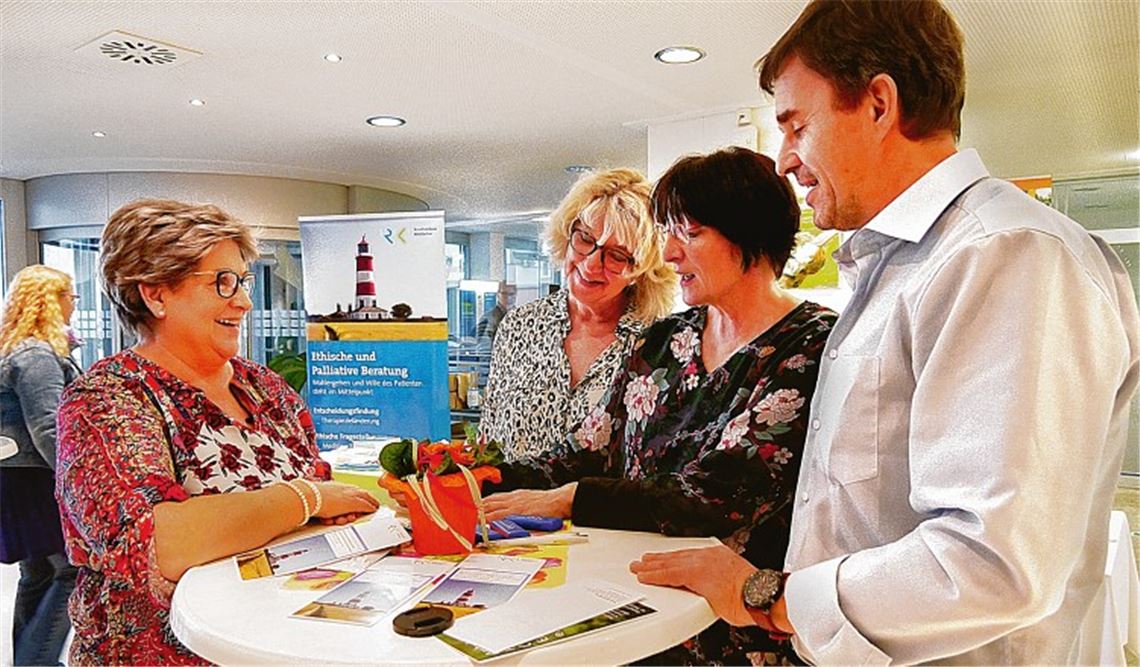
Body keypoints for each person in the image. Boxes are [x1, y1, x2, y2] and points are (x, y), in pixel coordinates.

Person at [630, 2, 1140, 665]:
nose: (784, 160)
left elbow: (991, 561)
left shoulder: (1007, 254)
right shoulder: (898, 268)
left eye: (796, 126)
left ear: (878, 103)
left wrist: (769, 595)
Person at [484, 148, 837, 664]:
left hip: (730, 632)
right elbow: (587, 450)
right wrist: (487, 476)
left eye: (689, 234)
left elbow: (716, 495)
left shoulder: (810, 345)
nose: (669, 254)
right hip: (631, 613)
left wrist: (569, 499)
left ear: (752, 237)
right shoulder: (666, 339)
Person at [55, 199, 381, 665]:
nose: (245, 300)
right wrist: (305, 499)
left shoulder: (266, 387)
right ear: (155, 294)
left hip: (286, 642)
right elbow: (159, 542)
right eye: (223, 282)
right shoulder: (106, 400)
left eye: (242, 281)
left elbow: (322, 497)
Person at [480, 168, 676, 462]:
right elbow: (489, 438)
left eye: (617, 256)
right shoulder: (520, 326)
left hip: (601, 509)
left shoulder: (658, 345)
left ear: (640, 270)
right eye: (585, 238)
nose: (591, 265)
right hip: (507, 506)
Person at [0, 265, 81, 666]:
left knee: (38, 573)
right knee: (70, 571)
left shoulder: (16, 349)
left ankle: (29, 660)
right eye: (71, 297)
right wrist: (75, 482)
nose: (74, 306)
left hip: (18, 478)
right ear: (51, 301)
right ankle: (37, 661)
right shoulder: (36, 354)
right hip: (39, 478)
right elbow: (48, 427)